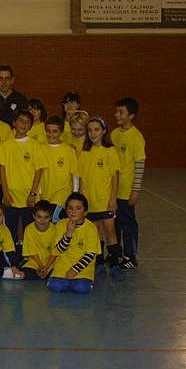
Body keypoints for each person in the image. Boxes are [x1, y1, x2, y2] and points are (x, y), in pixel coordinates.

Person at [0, 109, 48, 251]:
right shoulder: (6, 145)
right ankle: (12, 261)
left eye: (27, 122)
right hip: (11, 196)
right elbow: (2, 170)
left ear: (30, 127)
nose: (24, 124)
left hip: (28, 197)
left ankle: (28, 258)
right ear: (14, 123)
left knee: (29, 230)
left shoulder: (34, 145)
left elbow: (39, 170)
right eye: (21, 121)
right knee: (10, 230)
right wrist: (5, 193)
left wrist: (33, 194)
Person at [78, 117, 123, 280]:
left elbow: (114, 176)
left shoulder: (110, 150)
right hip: (91, 202)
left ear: (104, 131)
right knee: (96, 233)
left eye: (96, 129)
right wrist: (82, 197)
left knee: (110, 231)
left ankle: (116, 263)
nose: (92, 133)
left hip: (105, 201)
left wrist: (113, 199)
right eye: (90, 130)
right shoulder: (85, 151)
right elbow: (82, 177)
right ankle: (99, 263)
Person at [111, 97, 146, 269]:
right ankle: (116, 254)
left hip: (126, 190)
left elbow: (139, 164)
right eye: (116, 111)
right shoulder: (114, 134)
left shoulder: (136, 137)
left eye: (121, 112)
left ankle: (131, 256)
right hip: (113, 189)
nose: (117, 114)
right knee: (114, 223)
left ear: (131, 115)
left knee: (128, 224)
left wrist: (135, 190)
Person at [47, 192, 101, 293]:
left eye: (78, 208)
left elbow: (90, 254)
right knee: (56, 286)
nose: (73, 211)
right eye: (70, 208)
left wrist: (74, 270)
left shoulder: (91, 228)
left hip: (83, 268)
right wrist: (68, 234)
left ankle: (83, 282)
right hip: (62, 266)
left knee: (81, 288)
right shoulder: (61, 224)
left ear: (85, 212)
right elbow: (58, 249)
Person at [40, 116, 80, 220]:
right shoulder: (40, 148)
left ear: (61, 132)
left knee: (54, 218)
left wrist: (74, 194)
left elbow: (74, 173)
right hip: (45, 193)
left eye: (55, 131)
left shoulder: (68, 150)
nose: (51, 134)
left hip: (62, 193)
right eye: (48, 131)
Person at [21, 200, 57, 280]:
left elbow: (55, 252)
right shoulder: (29, 229)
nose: (42, 221)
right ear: (34, 216)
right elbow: (32, 252)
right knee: (26, 274)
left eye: (46, 217)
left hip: (50, 263)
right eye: (39, 217)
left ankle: (45, 275)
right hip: (34, 262)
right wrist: (41, 266)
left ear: (51, 217)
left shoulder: (55, 230)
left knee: (57, 275)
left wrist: (46, 268)